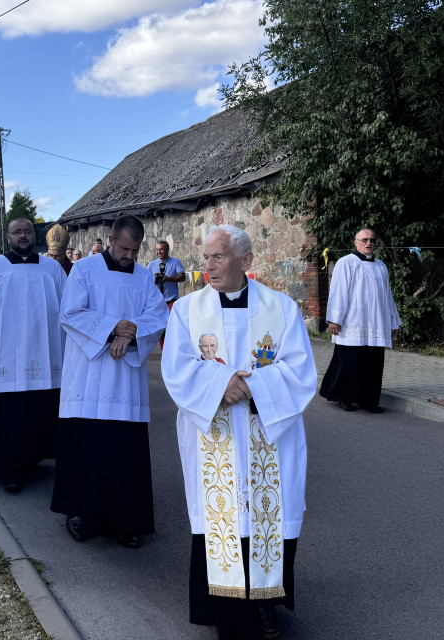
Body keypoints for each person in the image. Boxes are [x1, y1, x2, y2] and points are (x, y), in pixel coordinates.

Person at [162, 225, 318, 640]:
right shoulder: (187, 311)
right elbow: (176, 369)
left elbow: (300, 370)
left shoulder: (281, 309)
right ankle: (219, 606)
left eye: (217, 257)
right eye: (205, 257)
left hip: (267, 434)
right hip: (214, 436)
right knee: (220, 518)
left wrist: (249, 386)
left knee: (267, 519)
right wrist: (221, 385)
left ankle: (266, 605)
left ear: (245, 261)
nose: (207, 265)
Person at [51, 215, 168, 548]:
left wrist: (128, 336)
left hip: (125, 380)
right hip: (87, 377)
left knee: (123, 452)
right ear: (111, 239)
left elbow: (158, 316)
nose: (129, 255)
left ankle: (126, 521)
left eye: (135, 249)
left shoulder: (145, 278)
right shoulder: (85, 270)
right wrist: (113, 327)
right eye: (124, 248)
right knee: (87, 447)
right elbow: (70, 313)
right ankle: (82, 515)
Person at [0, 218, 66, 492]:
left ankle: (31, 462)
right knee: (6, 414)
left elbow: (68, 309)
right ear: (8, 237)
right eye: (17, 232)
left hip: (44, 353)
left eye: (28, 231)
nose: (23, 236)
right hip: (2, 354)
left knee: (35, 410)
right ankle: (5, 468)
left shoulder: (52, 268)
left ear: (35, 235)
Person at [318, 228, 401, 413]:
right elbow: (338, 291)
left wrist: (392, 321)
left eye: (372, 240)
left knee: (373, 365)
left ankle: (368, 401)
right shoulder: (346, 263)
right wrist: (334, 319)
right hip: (351, 324)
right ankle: (343, 397)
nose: (368, 243)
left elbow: (387, 296)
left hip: (376, 324)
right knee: (350, 363)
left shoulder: (381, 266)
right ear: (356, 242)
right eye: (364, 240)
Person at [147, 240, 186, 310]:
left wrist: (169, 278)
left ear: (167, 250)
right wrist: (153, 278)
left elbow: (183, 277)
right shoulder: (151, 265)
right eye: (157, 250)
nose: (158, 252)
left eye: (161, 249)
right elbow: (145, 281)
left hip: (171, 300)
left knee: (172, 320)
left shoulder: (175, 262)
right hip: (156, 302)